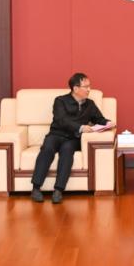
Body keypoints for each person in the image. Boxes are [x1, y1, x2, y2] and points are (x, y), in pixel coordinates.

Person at [31, 73, 112, 204]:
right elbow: (61, 120)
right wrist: (81, 127)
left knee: (67, 151)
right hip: (56, 134)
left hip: (73, 139)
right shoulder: (60, 101)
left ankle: (58, 190)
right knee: (47, 148)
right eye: (86, 87)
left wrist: (108, 123)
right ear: (75, 88)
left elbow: (99, 119)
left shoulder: (90, 104)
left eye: (89, 86)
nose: (89, 89)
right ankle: (36, 188)